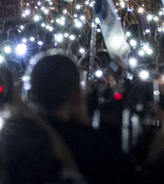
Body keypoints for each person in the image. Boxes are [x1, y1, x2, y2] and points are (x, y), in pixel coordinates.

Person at [28, 53, 135, 184]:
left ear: (32, 92)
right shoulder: (94, 147)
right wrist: (87, 128)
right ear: (77, 92)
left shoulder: (15, 140)